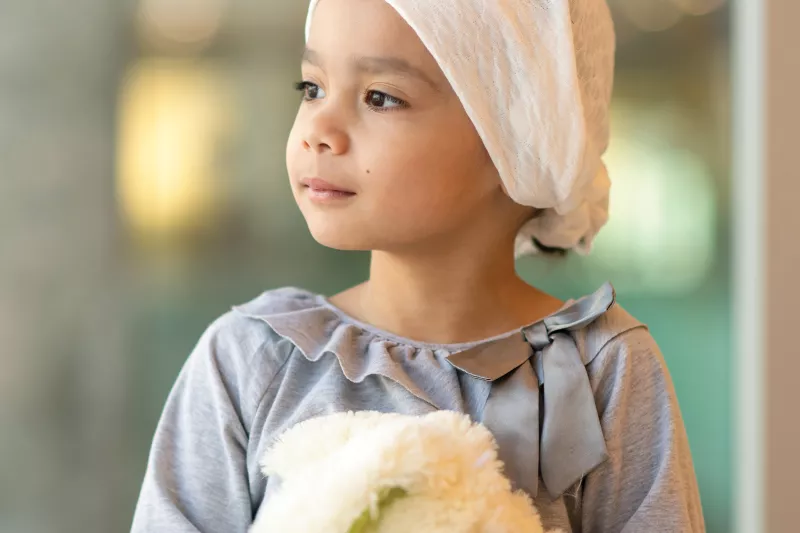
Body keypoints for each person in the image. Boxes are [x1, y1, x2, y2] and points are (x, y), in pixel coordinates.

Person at [131, 0, 705, 531]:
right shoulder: (250, 360)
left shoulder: (605, 370)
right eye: (312, 87)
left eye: (381, 97)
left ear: (517, 136)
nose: (319, 132)